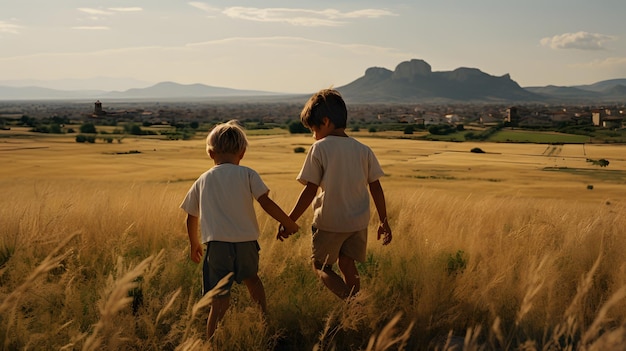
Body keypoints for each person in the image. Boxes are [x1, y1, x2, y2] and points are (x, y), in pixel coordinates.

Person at [180, 120, 299, 340]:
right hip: (246, 243)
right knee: (252, 280)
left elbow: (191, 216)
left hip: (216, 246)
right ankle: (264, 320)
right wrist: (288, 223)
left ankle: (212, 340)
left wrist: (194, 243)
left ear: (210, 153)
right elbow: (266, 202)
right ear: (242, 153)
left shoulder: (203, 180)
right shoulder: (248, 174)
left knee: (219, 298)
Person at [280, 88, 392, 300]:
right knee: (347, 263)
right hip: (358, 223)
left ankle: (351, 302)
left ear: (325, 122)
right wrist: (384, 221)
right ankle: (358, 304)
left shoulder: (320, 149)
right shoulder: (363, 149)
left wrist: (289, 220)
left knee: (320, 266)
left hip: (329, 221)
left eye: (313, 130)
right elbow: (376, 187)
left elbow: (310, 189)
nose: (314, 136)